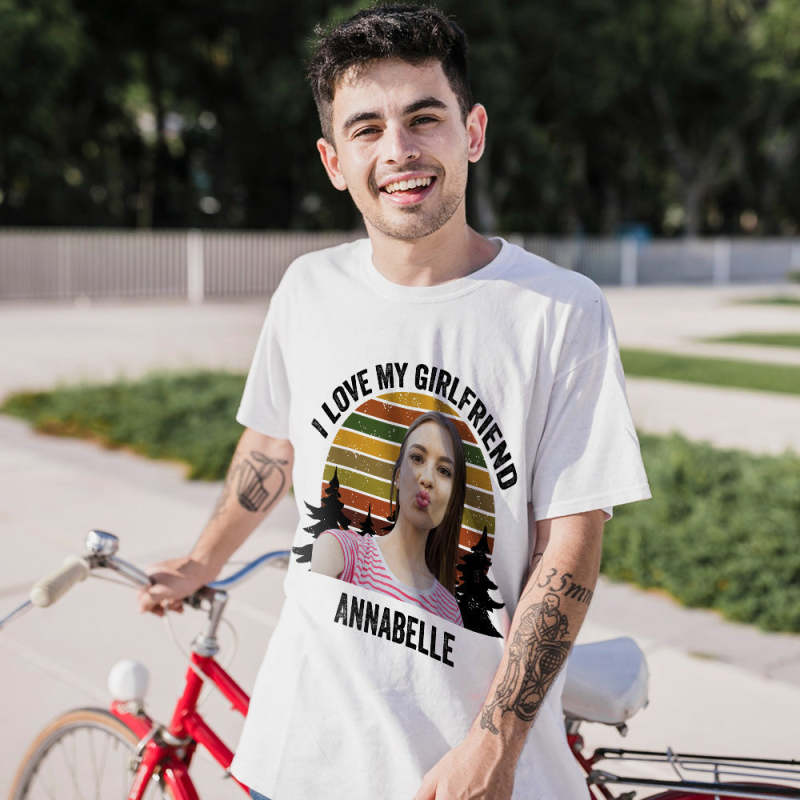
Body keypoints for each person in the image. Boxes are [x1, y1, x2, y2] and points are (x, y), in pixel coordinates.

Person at [139, 6, 651, 799]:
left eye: (424, 118)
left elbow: (570, 544)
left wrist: (495, 747)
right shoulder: (309, 290)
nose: (399, 150)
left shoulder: (558, 311)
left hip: (466, 770)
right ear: (333, 160)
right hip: (301, 758)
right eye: (367, 129)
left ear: (472, 132)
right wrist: (205, 558)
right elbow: (274, 443)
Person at [311, 410, 466, 626]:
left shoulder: (450, 612)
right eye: (417, 458)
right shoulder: (340, 551)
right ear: (398, 476)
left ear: (453, 497)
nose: (427, 479)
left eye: (444, 471)